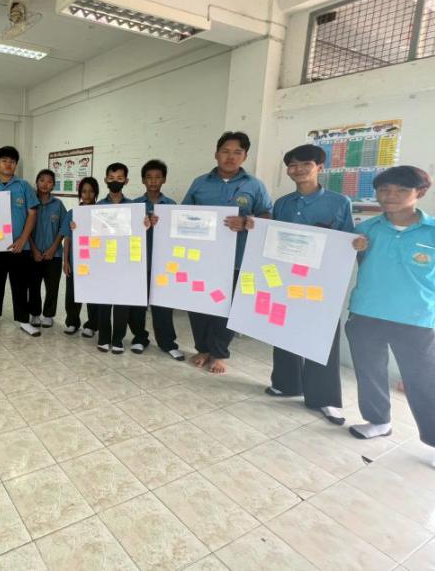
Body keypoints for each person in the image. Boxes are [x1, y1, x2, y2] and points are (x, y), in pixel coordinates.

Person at [345, 165, 435, 479]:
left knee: (426, 383)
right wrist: (357, 250)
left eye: (400, 191)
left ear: (419, 193)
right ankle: (378, 421)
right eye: (384, 190)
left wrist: (413, 292)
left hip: (414, 318)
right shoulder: (368, 229)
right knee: (370, 372)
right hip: (366, 312)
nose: (390, 196)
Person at [264, 144, 353, 425]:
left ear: (319, 168)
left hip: (321, 281)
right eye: (292, 165)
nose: (298, 170)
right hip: (286, 277)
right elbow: (274, 237)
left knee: (322, 335)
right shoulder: (283, 203)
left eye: (305, 164)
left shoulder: (339, 203)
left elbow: (347, 243)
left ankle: (324, 398)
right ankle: (286, 383)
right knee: (283, 327)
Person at [181, 131, 272, 374]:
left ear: (245, 156)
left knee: (228, 306)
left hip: (237, 258)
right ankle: (202, 348)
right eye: (225, 151)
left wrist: (248, 221)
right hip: (201, 257)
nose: (230, 157)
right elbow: (182, 215)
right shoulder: (200, 183)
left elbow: (267, 214)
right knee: (199, 302)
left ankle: (219, 353)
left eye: (237, 152)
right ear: (216, 154)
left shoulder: (254, 185)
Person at [0, 146, 40, 336]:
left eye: (12, 161)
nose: (8, 164)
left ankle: (23, 320)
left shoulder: (24, 186)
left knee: (20, 285)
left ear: (16, 165)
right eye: (4, 161)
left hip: (19, 247)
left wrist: (23, 239)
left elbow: (32, 213)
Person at [131, 159, 182, 359]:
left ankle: (167, 343)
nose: (153, 181)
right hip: (140, 263)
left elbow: (177, 234)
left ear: (164, 180)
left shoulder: (171, 206)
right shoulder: (135, 205)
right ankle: (139, 338)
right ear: (143, 180)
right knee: (138, 304)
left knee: (163, 305)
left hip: (163, 265)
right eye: (149, 177)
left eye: (157, 177)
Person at [94, 162, 147, 354]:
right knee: (104, 302)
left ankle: (118, 339)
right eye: (111, 178)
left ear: (126, 181)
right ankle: (103, 337)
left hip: (125, 262)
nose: (115, 181)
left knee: (122, 303)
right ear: (105, 180)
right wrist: (78, 226)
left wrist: (145, 224)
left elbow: (138, 233)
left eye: (119, 178)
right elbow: (91, 233)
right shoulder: (98, 207)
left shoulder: (134, 208)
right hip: (104, 262)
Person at [62, 177, 100, 337]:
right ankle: (72, 322)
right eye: (84, 191)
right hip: (76, 261)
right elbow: (67, 238)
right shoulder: (73, 213)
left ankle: (92, 325)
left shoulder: (100, 213)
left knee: (93, 294)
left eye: (91, 191)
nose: (87, 194)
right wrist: (65, 261)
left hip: (95, 262)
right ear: (80, 194)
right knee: (72, 293)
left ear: (96, 193)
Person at [29, 169, 66, 328]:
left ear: (53, 185)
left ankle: (49, 315)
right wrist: (34, 250)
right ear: (37, 182)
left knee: (52, 287)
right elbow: (25, 229)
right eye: (42, 180)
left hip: (54, 255)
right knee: (34, 286)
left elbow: (63, 228)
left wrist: (53, 249)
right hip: (33, 254)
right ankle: (35, 314)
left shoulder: (58, 205)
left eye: (50, 181)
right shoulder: (31, 202)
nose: (45, 184)